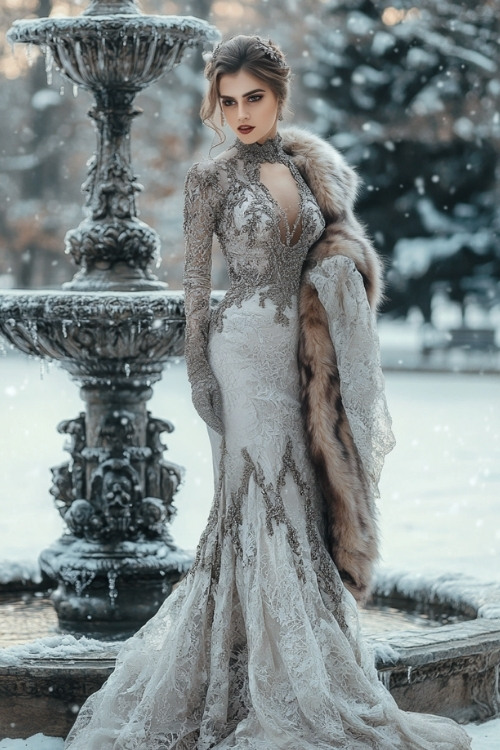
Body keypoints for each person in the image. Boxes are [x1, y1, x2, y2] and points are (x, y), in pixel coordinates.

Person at [65, 35, 472, 749]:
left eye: (254, 97)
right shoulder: (210, 179)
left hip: (298, 357)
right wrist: (197, 373)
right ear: (216, 105)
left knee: (302, 498)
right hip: (240, 349)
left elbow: (335, 253)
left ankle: (289, 658)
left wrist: (342, 278)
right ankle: (259, 676)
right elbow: (195, 292)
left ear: (279, 96)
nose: (241, 113)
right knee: (261, 496)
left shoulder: (310, 172)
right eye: (228, 101)